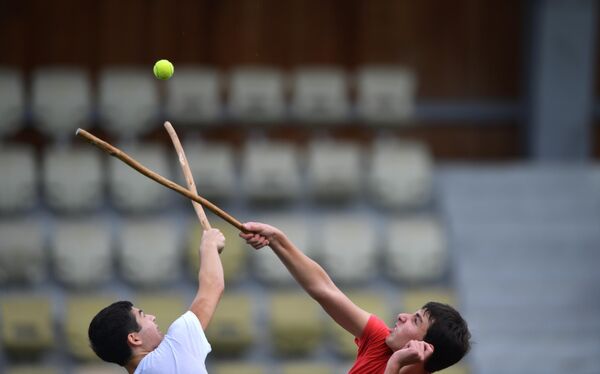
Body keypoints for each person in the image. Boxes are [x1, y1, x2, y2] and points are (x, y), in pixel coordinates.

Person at [240, 222, 470, 374]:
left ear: (424, 349)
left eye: (415, 320)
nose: (401, 316)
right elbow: (324, 289)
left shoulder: (393, 360)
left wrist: (395, 364)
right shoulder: (381, 340)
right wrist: (278, 240)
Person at [88, 228, 225, 374]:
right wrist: (209, 244)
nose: (152, 316)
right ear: (134, 339)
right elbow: (213, 286)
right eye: (143, 315)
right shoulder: (173, 352)